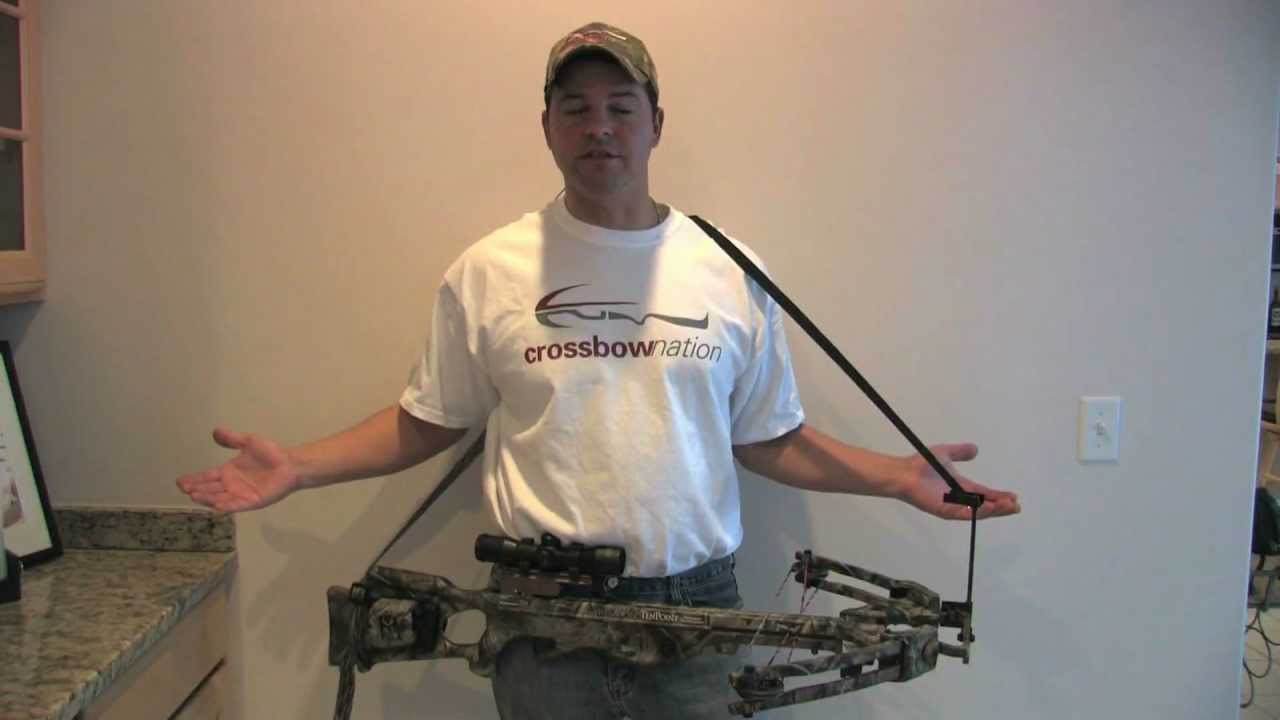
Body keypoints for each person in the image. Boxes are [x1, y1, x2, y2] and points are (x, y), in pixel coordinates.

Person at [177, 21, 1021, 719]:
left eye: (621, 106)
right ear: (547, 127)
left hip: (697, 620)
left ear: (656, 122)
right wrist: (301, 466)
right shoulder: (492, 270)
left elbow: (768, 438)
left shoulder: (727, 268)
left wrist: (899, 478)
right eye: (575, 108)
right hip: (542, 626)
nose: (599, 127)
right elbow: (428, 419)